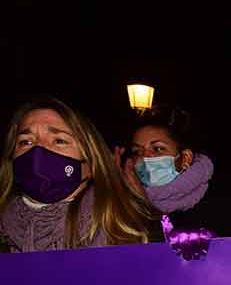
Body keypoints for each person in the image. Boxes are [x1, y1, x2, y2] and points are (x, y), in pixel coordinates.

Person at [0, 97, 152, 252]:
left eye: (59, 140)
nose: (38, 149)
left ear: (90, 160)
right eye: (26, 142)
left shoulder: (128, 231)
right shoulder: (5, 232)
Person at [129, 106, 231, 237]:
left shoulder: (218, 203)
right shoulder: (127, 204)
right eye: (137, 152)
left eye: (157, 149)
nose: (145, 158)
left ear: (185, 158)